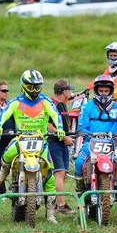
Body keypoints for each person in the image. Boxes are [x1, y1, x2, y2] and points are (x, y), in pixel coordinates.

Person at [0, 69, 64, 224]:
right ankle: (3, 174)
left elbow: (55, 114)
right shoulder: (16, 101)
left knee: (50, 174)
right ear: (24, 85)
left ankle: (50, 214)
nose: (34, 90)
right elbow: (4, 114)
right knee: (7, 154)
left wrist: (60, 128)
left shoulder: (45, 102)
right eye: (31, 86)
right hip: (21, 137)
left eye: (37, 86)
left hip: (41, 140)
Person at [75, 75, 117, 220]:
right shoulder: (87, 107)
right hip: (90, 143)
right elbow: (81, 127)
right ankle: (80, 195)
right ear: (96, 91)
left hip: (110, 145)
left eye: (106, 90)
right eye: (101, 91)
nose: (103, 93)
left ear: (111, 91)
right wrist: (87, 133)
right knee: (79, 163)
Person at [48, 79, 75, 214]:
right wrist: (64, 138)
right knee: (59, 173)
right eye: (69, 90)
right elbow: (48, 125)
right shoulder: (51, 105)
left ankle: (55, 202)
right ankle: (60, 205)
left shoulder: (63, 104)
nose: (70, 92)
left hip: (63, 142)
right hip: (54, 142)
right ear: (64, 91)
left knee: (63, 174)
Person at [87, 42, 117, 111]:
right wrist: (88, 87)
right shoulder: (110, 68)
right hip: (108, 97)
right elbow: (101, 79)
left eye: (115, 55)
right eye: (111, 55)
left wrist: (109, 94)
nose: (112, 58)